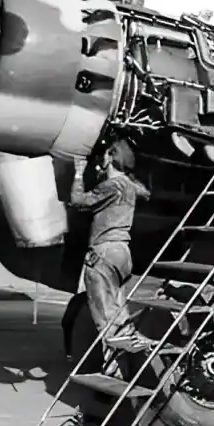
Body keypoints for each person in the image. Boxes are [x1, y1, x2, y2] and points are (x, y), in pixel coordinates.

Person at [66, 137, 154, 354]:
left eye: (105, 154)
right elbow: (145, 192)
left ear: (112, 157)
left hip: (104, 253)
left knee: (104, 317)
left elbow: (78, 201)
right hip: (122, 253)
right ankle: (127, 351)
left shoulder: (111, 186)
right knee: (117, 309)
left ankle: (122, 349)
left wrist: (78, 172)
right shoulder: (129, 186)